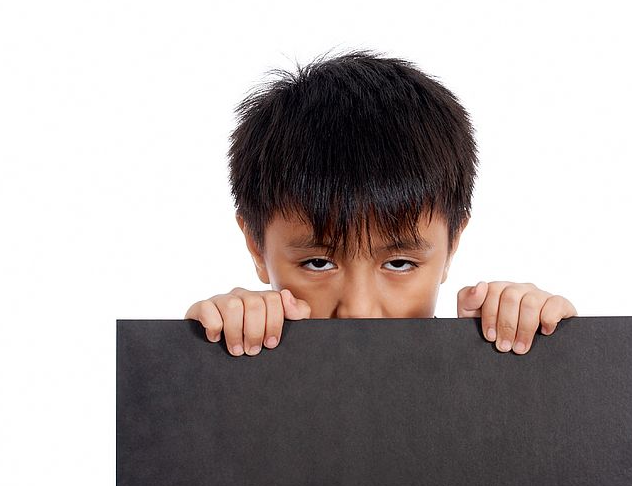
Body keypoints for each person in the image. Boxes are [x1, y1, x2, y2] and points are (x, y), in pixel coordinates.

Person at [186, 50, 577, 356]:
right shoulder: (228, 365)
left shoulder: (490, 374)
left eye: (399, 263)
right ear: (257, 246)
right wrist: (203, 352)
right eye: (318, 262)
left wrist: (546, 344)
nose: (358, 309)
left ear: (452, 243)